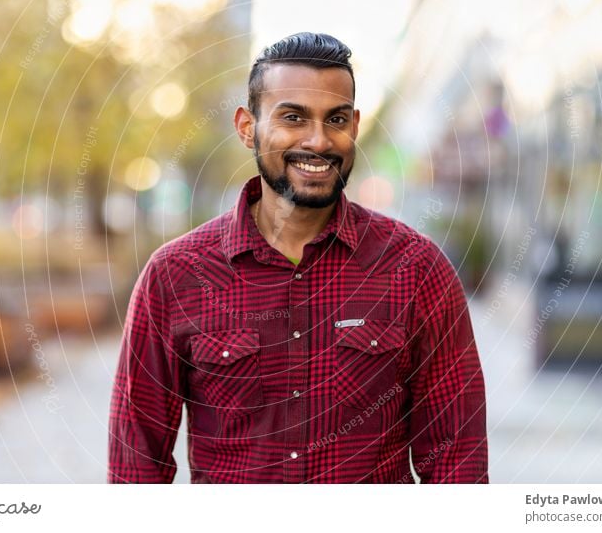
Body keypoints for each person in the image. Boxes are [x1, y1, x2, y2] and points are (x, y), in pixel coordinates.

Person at [108, 32, 488, 483]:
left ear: (355, 126)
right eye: (293, 117)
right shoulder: (174, 276)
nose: (319, 141)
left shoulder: (417, 270)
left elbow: (456, 460)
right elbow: (136, 465)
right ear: (247, 126)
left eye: (336, 119)